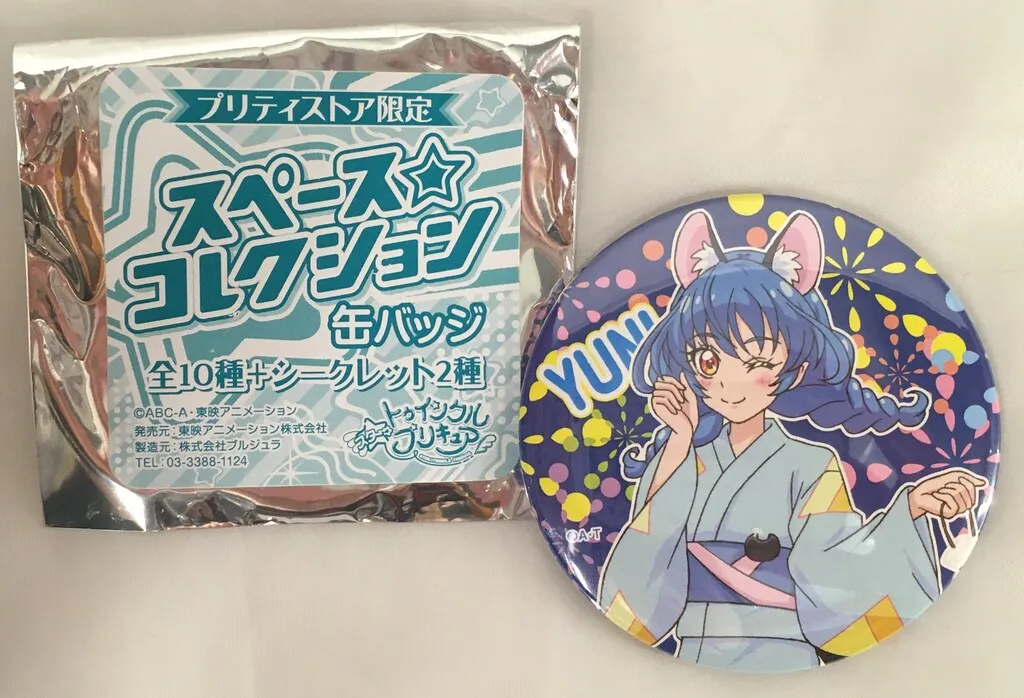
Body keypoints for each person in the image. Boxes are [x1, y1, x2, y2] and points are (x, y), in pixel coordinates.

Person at [598, 208, 985, 672]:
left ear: (794, 370)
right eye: (708, 362)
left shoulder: (810, 464)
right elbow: (645, 558)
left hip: (786, 650)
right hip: (688, 654)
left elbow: (837, 568)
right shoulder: (683, 458)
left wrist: (911, 508)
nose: (730, 384)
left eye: (758, 363)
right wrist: (680, 440)